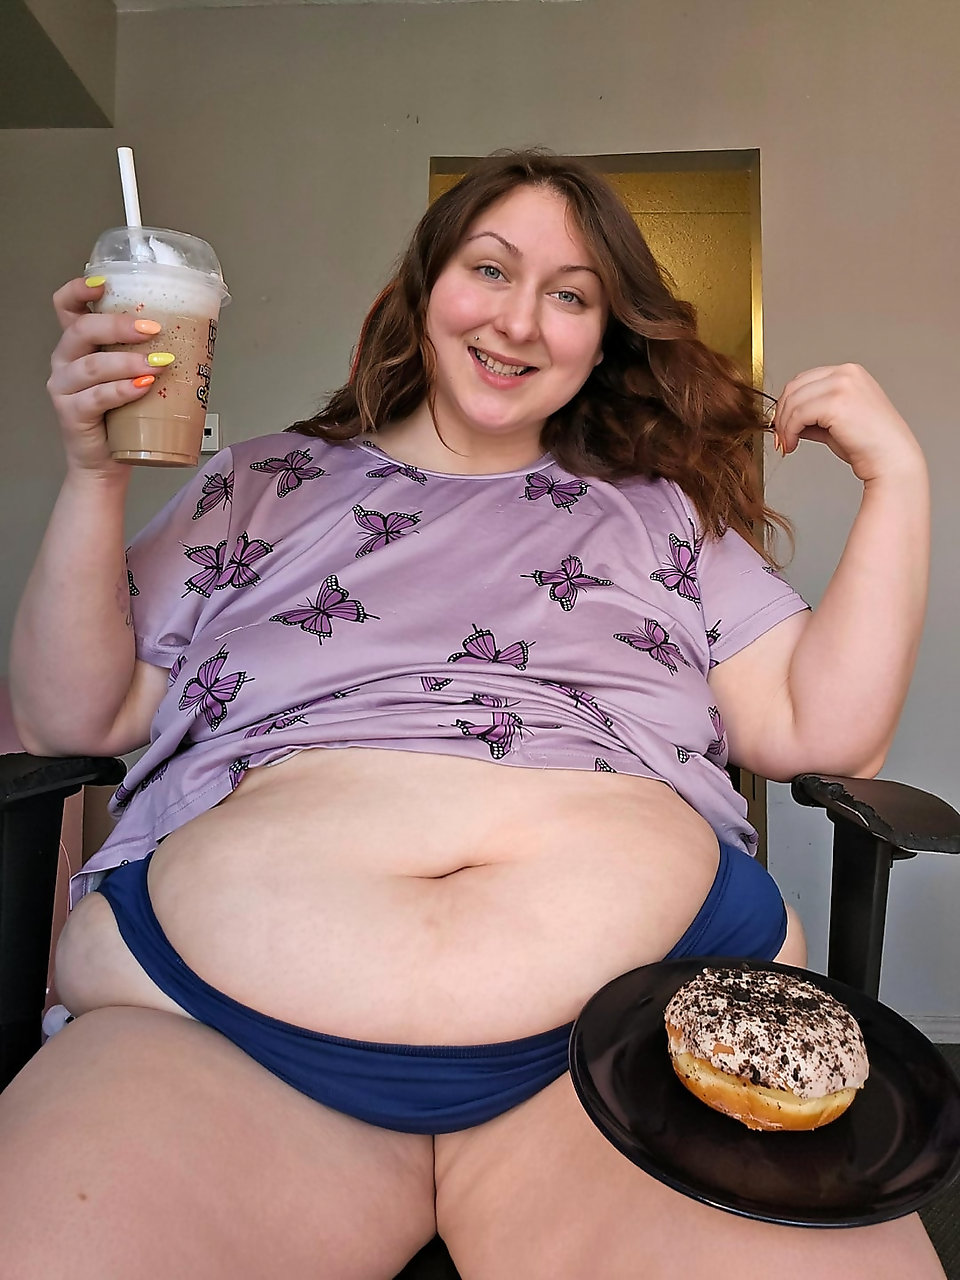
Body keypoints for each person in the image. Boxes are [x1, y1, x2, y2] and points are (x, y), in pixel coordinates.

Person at [2, 150, 940, 1278]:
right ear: (424, 286)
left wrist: (899, 482)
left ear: (604, 335)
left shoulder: (662, 517)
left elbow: (822, 728)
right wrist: (95, 475)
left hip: (644, 1043)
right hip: (213, 1038)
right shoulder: (257, 485)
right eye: (490, 269)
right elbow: (69, 716)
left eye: (570, 294)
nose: (521, 321)